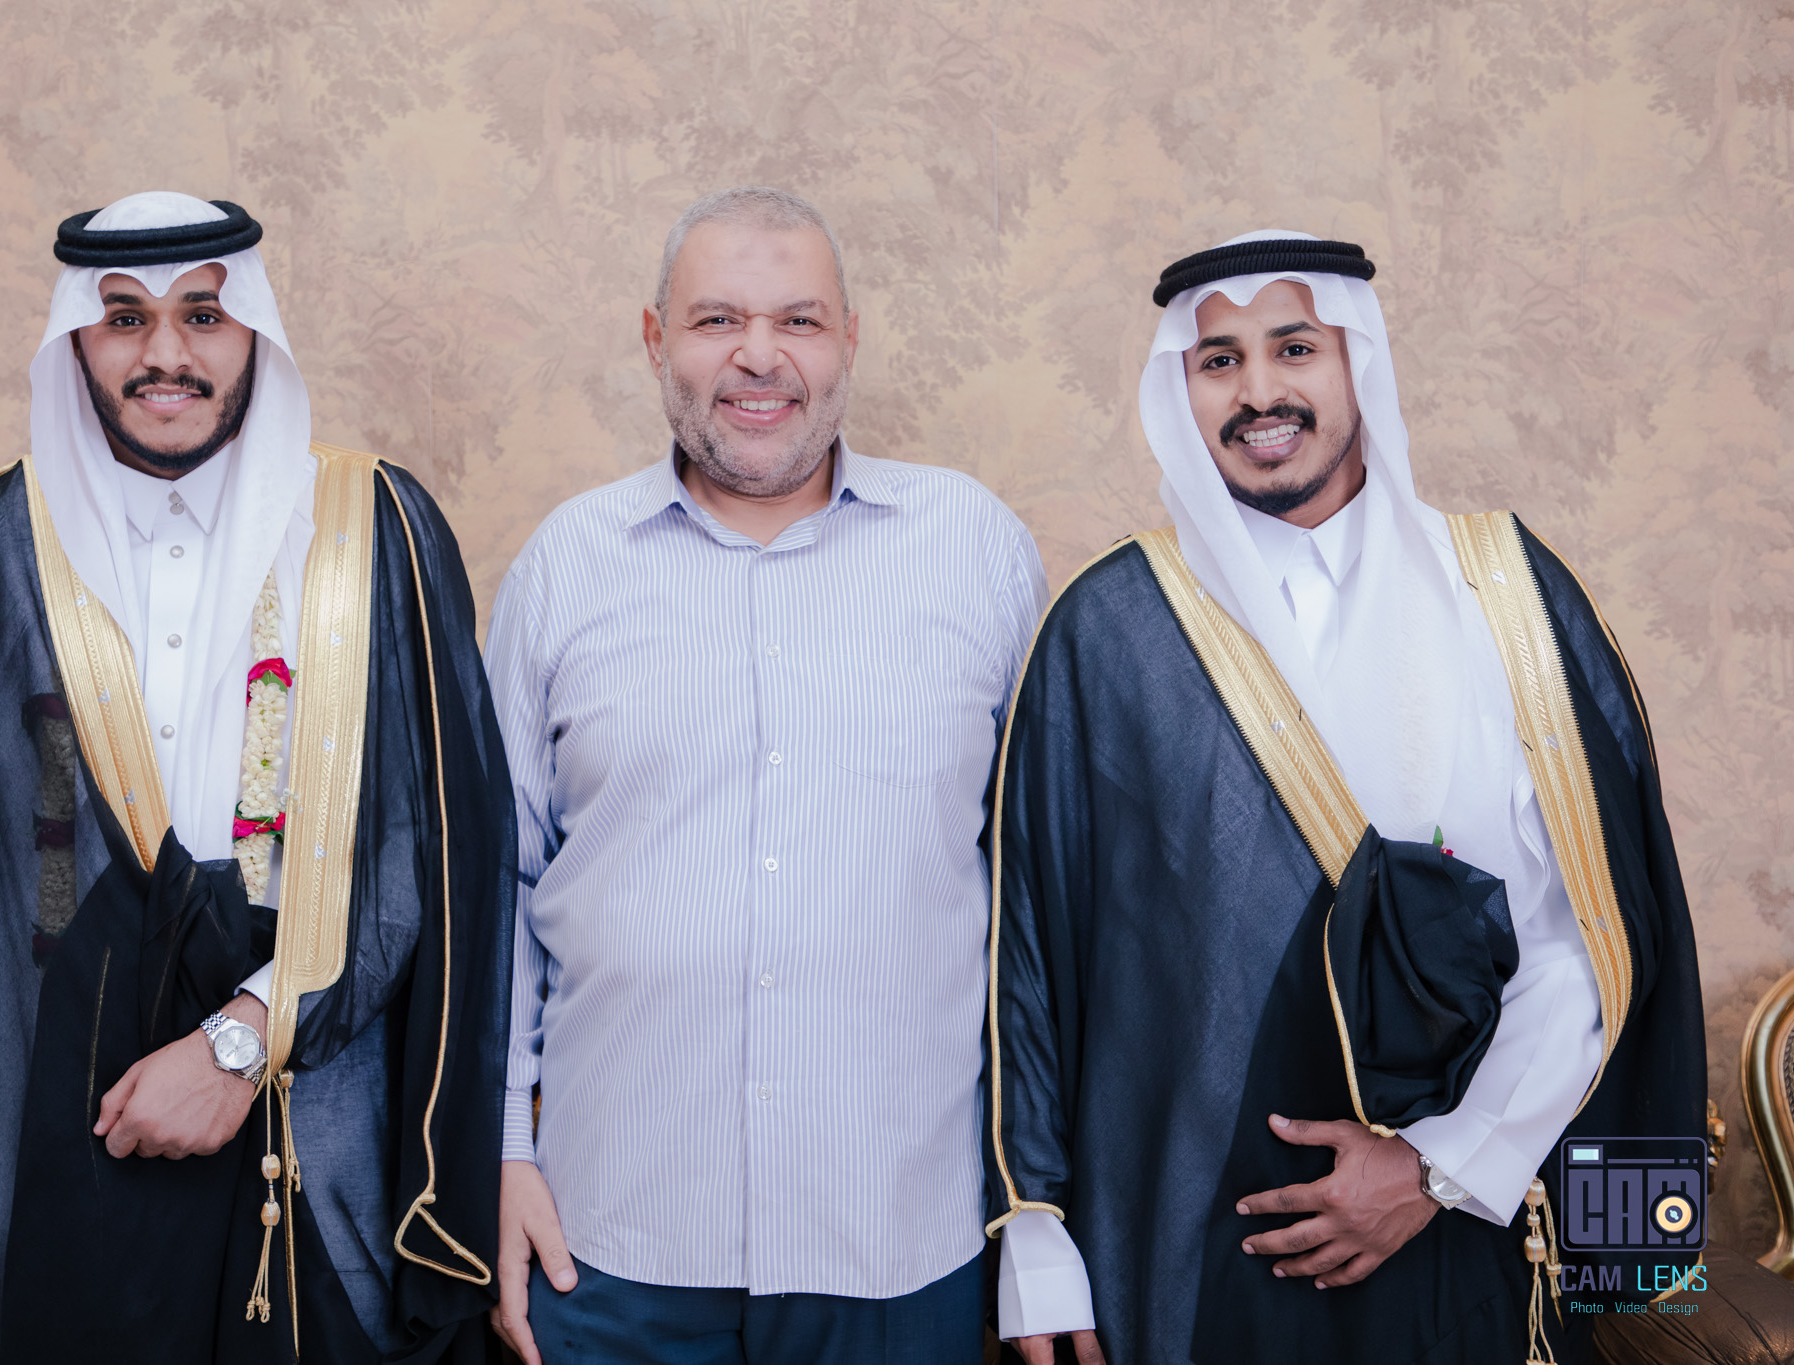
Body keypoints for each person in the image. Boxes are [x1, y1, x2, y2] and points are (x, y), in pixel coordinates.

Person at [0, 191, 515, 1365]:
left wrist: (245, 1037)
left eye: (203, 314)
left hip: (321, 1135)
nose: (166, 354)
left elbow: (428, 852)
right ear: (74, 340)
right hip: (53, 1142)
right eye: (124, 318)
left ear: (255, 331)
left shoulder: (375, 531)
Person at [986, 231, 1705, 1364]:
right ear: (1180, 388)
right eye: (1217, 361)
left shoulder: (1505, 595)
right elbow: (1029, 948)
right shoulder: (1111, 628)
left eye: (1293, 348)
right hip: (1191, 1232)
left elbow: (1595, 936)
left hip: (1466, 1225)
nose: (1257, 392)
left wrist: (1435, 1168)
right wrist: (1032, 1225)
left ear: (1355, 362)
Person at [482, 186, 1047, 1365]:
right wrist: (500, 1153)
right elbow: (494, 886)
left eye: (797, 320)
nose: (757, 356)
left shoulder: (976, 550)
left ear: (848, 338)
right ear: (655, 339)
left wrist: (1037, 1206)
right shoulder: (563, 568)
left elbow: (1042, 904)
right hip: (609, 1247)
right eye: (715, 320)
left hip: (902, 1244)